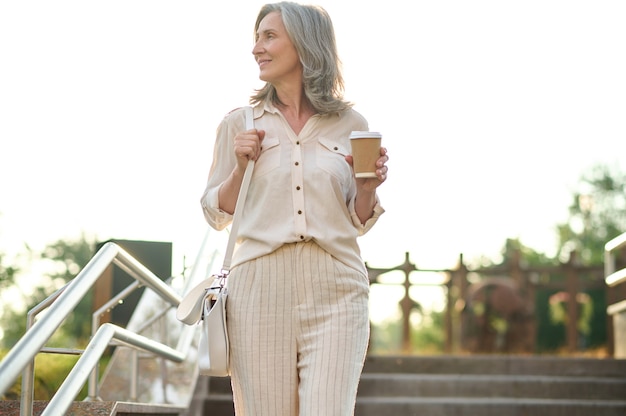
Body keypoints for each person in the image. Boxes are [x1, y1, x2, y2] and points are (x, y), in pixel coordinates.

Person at [200, 2, 388, 415]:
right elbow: (216, 212)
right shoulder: (239, 123)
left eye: (269, 36)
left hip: (337, 287)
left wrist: (367, 187)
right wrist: (241, 168)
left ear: (304, 44)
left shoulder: (352, 124)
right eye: (257, 37)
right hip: (259, 289)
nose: (256, 49)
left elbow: (358, 219)